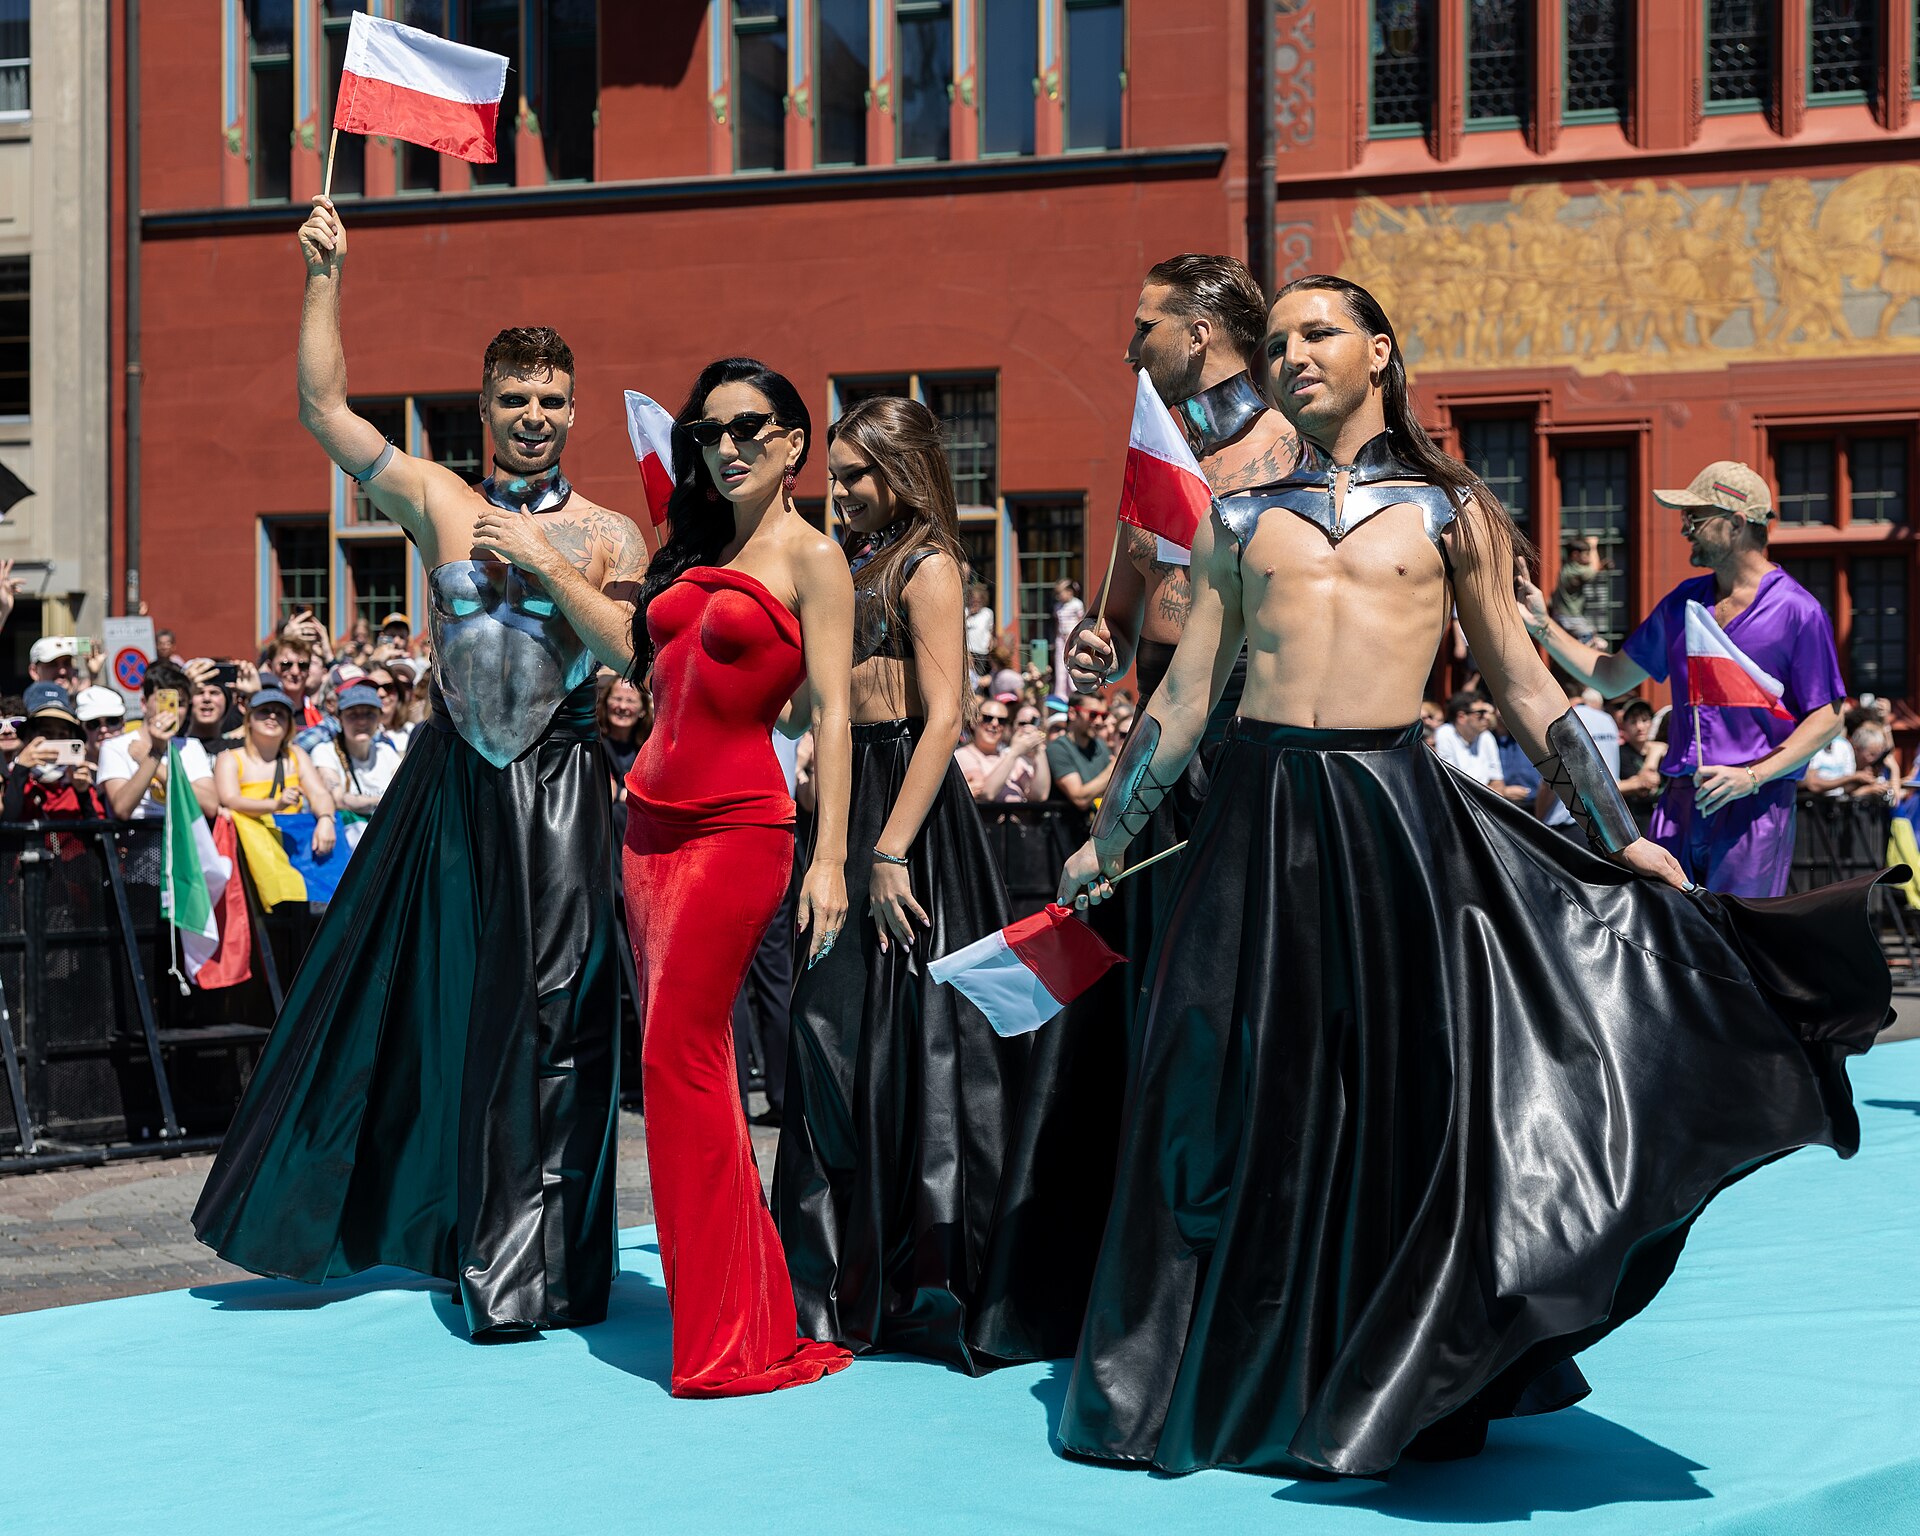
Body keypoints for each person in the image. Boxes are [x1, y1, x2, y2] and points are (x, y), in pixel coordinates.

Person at [1055, 273, 1892, 1480]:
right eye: (1279, 338)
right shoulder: (1236, 521)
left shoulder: (1453, 513)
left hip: (1393, 820)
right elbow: (1186, 700)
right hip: (1259, 816)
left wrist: (1621, 834)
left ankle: (1382, 1377)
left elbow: (1530, 687)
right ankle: (1214, 1378)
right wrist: (1110, 835)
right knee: (1223, 1089)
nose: (1292, 354)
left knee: (1392, 1100)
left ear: (1380, 352)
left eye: (1319, 333)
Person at [194, 195, 644, 1340]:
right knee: (423, 1006)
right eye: (513, 400)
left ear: (573, 407)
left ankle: (554, 1265)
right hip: (450, 781)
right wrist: (322, 276)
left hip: (557, 782)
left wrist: (543, 559)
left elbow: (629, 648)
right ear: (485, 407)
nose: (534, 416)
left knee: (562, 1021)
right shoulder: (439, 495)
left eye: (551, 400)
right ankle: (461, 1244)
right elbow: (323, 409)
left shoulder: (605, 533)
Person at [615, 356, 854, 1397]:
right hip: (647, 829)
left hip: (739, 826)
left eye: (750, 426)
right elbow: (649, 676)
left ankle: (732, 1332)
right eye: (709, 432)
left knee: (681, 1056)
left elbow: (832, 715)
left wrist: (835, 855)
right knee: (678, 1060)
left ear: (797, 443)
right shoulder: (697, 550)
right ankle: (737, 1309)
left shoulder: (815, 559)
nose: (728, 446)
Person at [773, 395, 1020, 1372]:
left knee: (923, 1051)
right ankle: (837, 1280)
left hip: (909, 819)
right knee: (834, 1043)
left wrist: (889, 852)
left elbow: (948, 716)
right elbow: (811, 706)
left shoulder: (928, 566)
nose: (837, 491)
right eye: (833, 475)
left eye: (854, 475)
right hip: (850, 799)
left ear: (903, 472)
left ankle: (927, 1275)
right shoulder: (855, 564)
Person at [1520, 461, 1847, 896]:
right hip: (1677, 803)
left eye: (1695, 517)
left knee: (1737, 945)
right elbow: (1613, 677)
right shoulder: (1683, 602)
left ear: (1735, 523)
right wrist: (1544, 627)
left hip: (1752, 805)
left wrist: (1753, 776)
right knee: (1670, 943)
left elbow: (1828, 718)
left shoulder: (1797, 611)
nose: (1684, 528)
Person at [1070, 254, 1298, 707]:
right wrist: (1092, 649)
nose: (1130, 350)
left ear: (1197, 337)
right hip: (1155, 730)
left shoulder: (1298, 457)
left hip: (1252, 737)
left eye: (1145, 328)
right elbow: (1110, 619)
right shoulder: (1157, 462)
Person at [96, 661, 219, 822]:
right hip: (140, 842)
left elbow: (210, 805)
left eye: (179, 704)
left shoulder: (192, 747)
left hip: (182, 841)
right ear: (144, 704)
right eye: (163, 702)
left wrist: (156, 764)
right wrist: (155, 753)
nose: (171, 710)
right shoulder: (115, 747)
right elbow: (122, 808)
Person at [3, 684, 105, 821]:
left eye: (62, 735)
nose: (55, 742)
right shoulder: (12, 780)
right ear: (29, 737)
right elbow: (8, 822)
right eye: (47, 733)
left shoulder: (81, 781)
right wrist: (21, 769)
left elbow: (99, 838)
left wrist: (83, 793)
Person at [311, 682, 404, 817]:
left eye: (369, 714)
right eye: (353, 715)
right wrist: (384, 802)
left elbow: (405, 792)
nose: (362, 722)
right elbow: (337, 799)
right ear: (340, 719)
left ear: (379, 717)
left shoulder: (386, 752)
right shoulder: (325, 752)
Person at [954, 695, 1051, 803]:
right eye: (988, 718)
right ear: (973, 722)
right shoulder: (963, 754)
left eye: (1002, 721)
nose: (995, 724)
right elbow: (987, 793)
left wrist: (1039, 749)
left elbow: (1039, 795)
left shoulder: (1012, 758)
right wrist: (1014, 752)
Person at [1430, 690, 1516, 797]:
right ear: (1461, 717)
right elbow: (1451, 782)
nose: (1487, 717)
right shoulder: (1444, 733)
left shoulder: (1487, 737)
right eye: (1480, 713)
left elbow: (1497, 782)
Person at [1047, 692, 1113, 811]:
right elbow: (1079, 798)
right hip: (1068, 827)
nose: (1099, 722)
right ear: (1072, 713)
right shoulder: (1058, 748)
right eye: (1093, 714)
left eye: (1103, 716)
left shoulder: (1101, 747)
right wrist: (1114, 770)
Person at [1551, 533, 1609, 646]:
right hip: (1569, 618)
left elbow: (1594, 568)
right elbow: (1593, 569)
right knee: (1595, 644)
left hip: (1568, 616)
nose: (1588, 557)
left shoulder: (1569, 567)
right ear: (1575, 555)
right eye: (1586, 554)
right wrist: (1592, 546)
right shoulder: (1573, 571)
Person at [1051, 579, 1083, 699]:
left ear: (1070, 592)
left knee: (1072, 663)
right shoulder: (1058, 606)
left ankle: (1074, 692)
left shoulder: (1077, 604)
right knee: (1060, 666)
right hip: (1061, 637)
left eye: (1061, 593)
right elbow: (1057, 623)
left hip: (1073, 636)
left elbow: (1080, 621)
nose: (1059, 596)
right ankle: (1060, 695)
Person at [75, 687, 127, 759]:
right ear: (81, 729)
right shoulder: (68, 768)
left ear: (123, 724)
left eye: (112, 721)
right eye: (93, 724)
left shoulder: (141, 765)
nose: (103, 729)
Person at [965, 582, 994, 676]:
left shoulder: (987, 613)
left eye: (978, 601)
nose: (975, 604)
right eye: (973, 601)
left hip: (981, 650)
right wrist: (969, 614)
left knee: (979, 676)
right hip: (968, 650)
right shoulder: (965, 612)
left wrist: (990, 643)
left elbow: (990, 629)